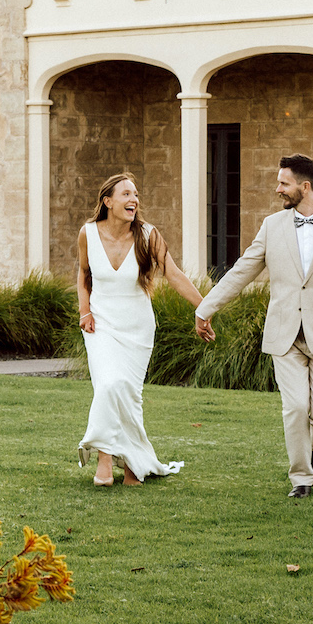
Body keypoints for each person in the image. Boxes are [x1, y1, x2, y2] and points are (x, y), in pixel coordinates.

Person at [194, 153, 313, 498]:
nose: (278, 189)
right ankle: (301, 479)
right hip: (284, 335)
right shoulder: (272, 227)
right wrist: (205, 307)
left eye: (283, 183)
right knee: (296, 408)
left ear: (305, 187)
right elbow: (243, 270)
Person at [76, 173, 204, 486]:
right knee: (107, 386)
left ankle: (133, 464)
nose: (133, 200)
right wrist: (85, 312)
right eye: (126, 194)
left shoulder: (148, 235)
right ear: (108, 201)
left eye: (136, 195)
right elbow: (82, 275)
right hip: (101, 325)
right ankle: (105, 459)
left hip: (138, 328)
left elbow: (173, 275)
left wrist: (205, 308)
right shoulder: (88, 233)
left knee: (129, 395)